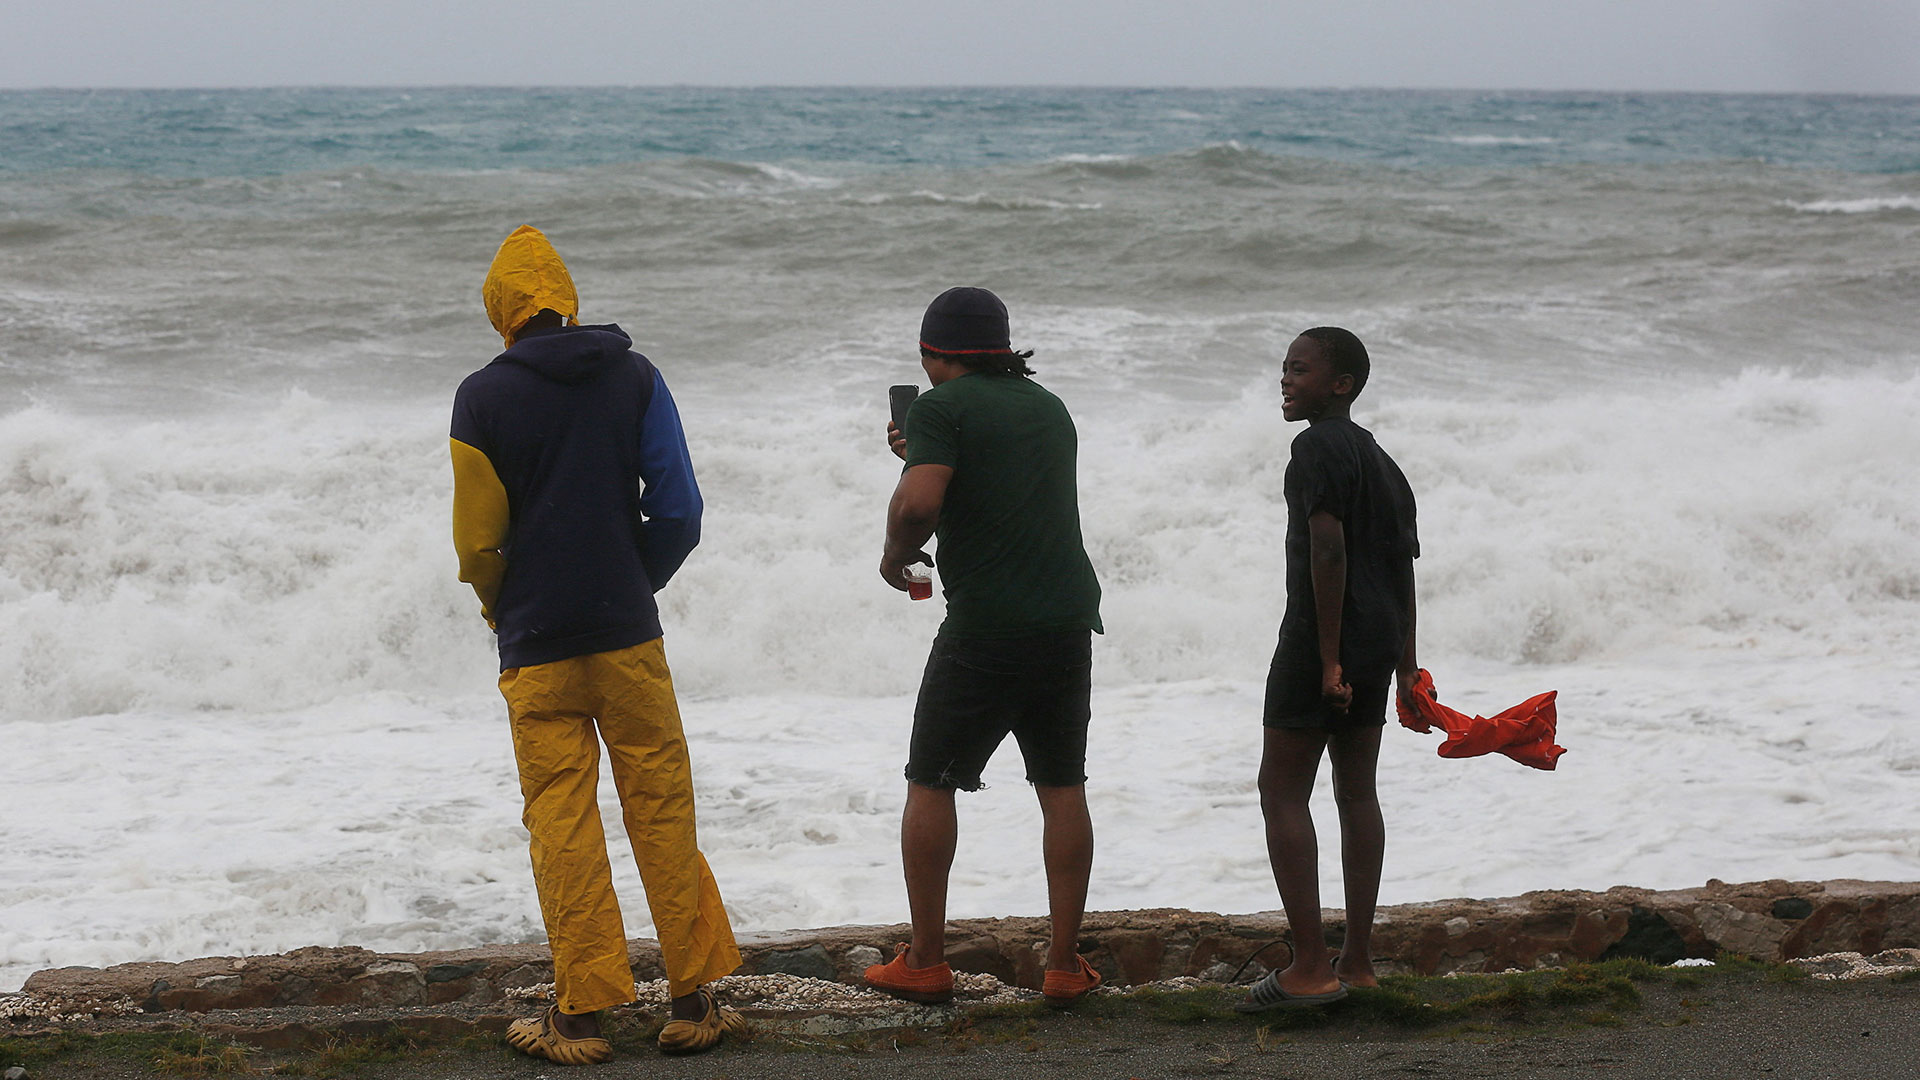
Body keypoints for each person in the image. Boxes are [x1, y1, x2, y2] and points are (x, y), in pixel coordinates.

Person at [450, 225, 745, 1063]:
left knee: (562, 820)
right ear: (566, 297)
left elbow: (478, 544)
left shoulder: (481, 397)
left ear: (502, 308)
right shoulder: (636, 376)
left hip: (536, 644)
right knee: (661, 807)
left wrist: (506, 607)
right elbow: (681, 509)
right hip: (626, 637)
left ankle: (579, 1019)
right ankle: (691, 1003)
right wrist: (636, 577)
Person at [866, 287, 1107, 1008]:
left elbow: (918, 506)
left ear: (931, 354)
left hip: (987, 626)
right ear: (1001, 349)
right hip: (1066, 619)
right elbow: (1002, 487)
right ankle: (1064, 964)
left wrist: (893, 555)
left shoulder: (941, 408)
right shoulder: (1049, 406)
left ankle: (926, 961)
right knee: (1062, 784)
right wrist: (929, 452)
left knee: (931, 779)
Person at [1239, 326, 1421, 1012]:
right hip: (1376, 642)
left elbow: (1329, 550)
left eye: (1299, 370)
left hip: (1325, 641)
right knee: (1356, 793)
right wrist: (1405, 665)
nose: (1285, 380)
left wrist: (1327, 658)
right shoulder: (1381, 459)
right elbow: (1402, 568)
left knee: (1281, 791)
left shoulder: (1314, 446)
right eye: (1284, 368)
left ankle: (1310, 969)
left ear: (1338, 384)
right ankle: (1361, 961)